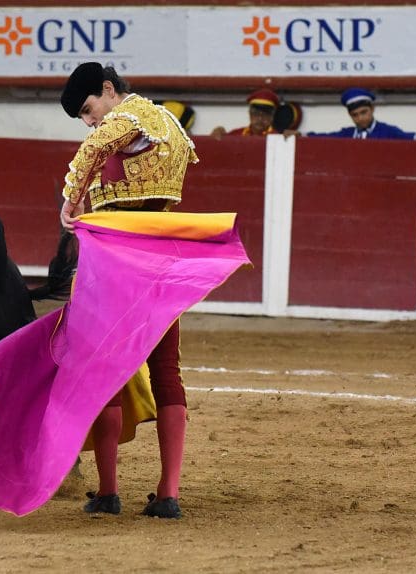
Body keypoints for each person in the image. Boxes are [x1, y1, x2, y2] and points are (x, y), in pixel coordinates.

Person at [59, 62, 199, 519]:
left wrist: (71, 198)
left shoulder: (126, 119)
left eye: (87, 108)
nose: (89, 121)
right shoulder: (172, 125)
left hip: (114, 262)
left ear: (108, 89)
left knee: (104, 373)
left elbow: (95, 147)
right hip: (161, 258)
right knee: (166, 371)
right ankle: (169, 493)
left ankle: (108, 491)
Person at [295, 88, 416, 141]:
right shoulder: (347, 134)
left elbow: (404, 136)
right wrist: (301, 135)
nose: (360, 118)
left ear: (372, 109)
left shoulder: (386, 130)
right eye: (355, 115)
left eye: (364, 112)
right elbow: (326, 137)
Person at [210, 89, 279, 138]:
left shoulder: (278, 138)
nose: (260, 118)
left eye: (265, 115)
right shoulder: (236, 135)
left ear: (272, 117)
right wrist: (218, 134)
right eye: (256, 114)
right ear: (249, 114)